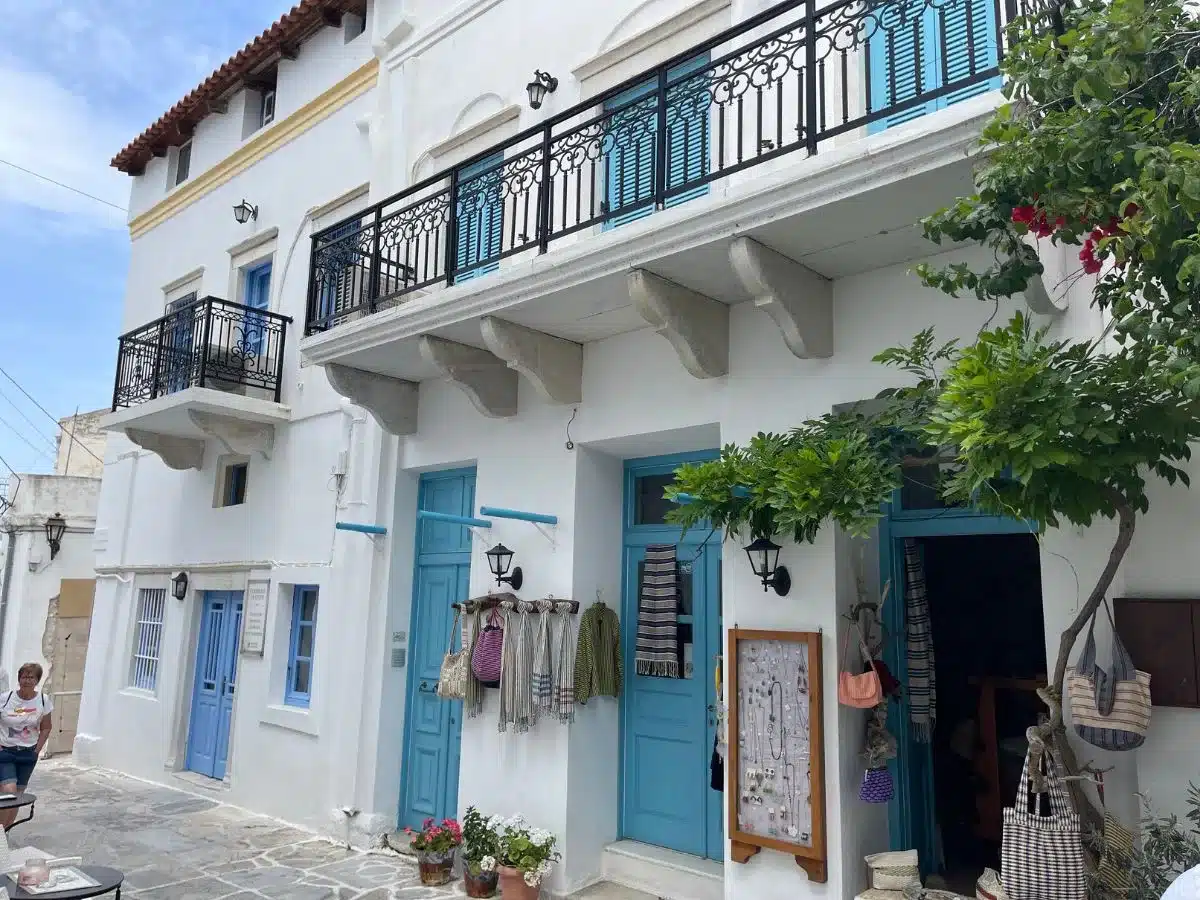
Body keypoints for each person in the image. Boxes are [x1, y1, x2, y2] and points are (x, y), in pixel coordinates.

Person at [0, 663, 52, 828]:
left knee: (17, 796)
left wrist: (37, 750)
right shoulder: (5, 698)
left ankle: (6, 832)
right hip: (5, 751)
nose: (27, 681)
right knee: (9, 791)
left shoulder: (43, 700)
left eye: (31, 677)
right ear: (19, 679)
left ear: (37, 680)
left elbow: (46, 727)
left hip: (27, 754)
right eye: (24, 677)